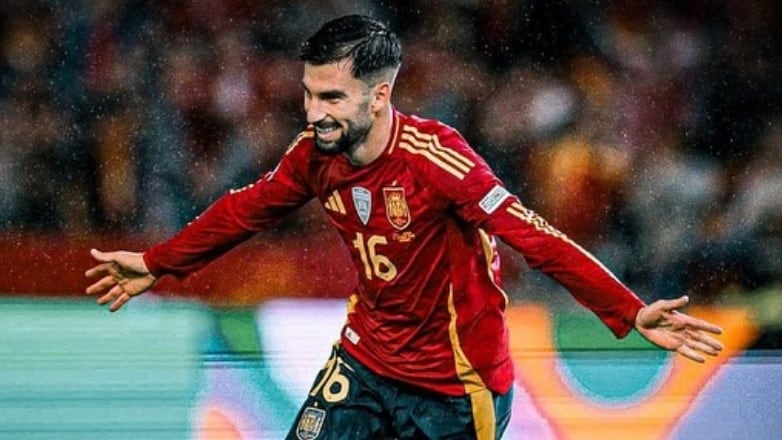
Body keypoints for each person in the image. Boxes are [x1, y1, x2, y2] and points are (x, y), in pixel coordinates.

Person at [84, 15, 724, 440]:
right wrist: (157, 262)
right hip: (365, 362)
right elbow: (244, 210)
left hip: (455, 385)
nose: (314, 113)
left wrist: (629, 312)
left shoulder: (438, 161)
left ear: (380, 97)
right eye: (309, 94)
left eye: (331, 98)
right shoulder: (314, 155)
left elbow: (535, 236)